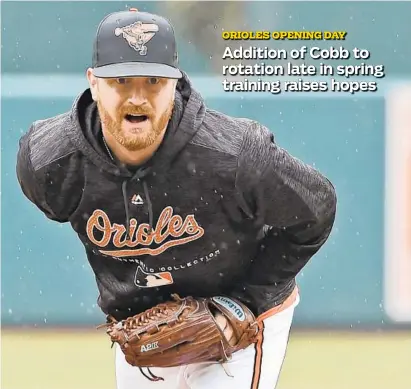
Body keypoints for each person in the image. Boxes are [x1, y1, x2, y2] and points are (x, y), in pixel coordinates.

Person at [16, 8, 337, 389]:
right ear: (93, 83)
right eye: (120, 80)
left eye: (154, 80)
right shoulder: (49, 163)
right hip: (145, 332)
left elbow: (317, 209)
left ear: (176, 83)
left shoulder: (234, 156)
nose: (138, 97)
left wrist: (246, 301)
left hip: (241, 320)